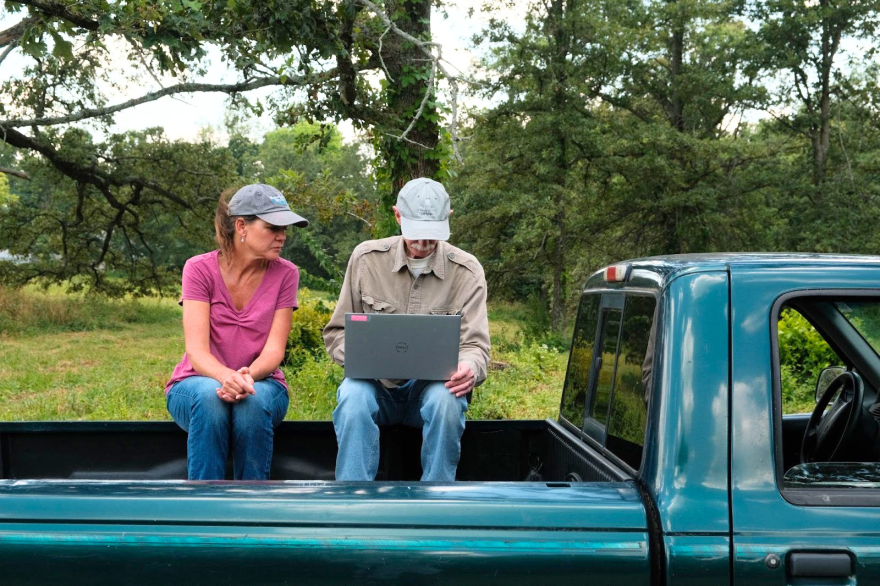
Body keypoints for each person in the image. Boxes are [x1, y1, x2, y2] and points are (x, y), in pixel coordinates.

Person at [323, 177, 490, 482]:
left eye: (432, 235)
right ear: (397, 215)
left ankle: (436, 504)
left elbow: (476, 346)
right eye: (416, 234)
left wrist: (469, 367)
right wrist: (362, 356)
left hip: (432, 389)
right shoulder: (365, 259)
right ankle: (353, 502)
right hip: (375, 387)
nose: (423, 244)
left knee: (447, 400)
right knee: (352, 396)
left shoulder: (468, 271)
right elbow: (336, 333)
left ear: (448, 219)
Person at [165, 184, 309, 480]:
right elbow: (197, 351)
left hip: (262, 382)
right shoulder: (198, 269)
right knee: (209, 397)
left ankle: (253, 509)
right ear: (241, 226)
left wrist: (246, 378)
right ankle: (205, 511)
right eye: (273, 228)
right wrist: (227, 378)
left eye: (285, 229)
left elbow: (274, 352)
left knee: (253, 402)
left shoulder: (286, 274)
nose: (282, 236)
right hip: (196, 382)